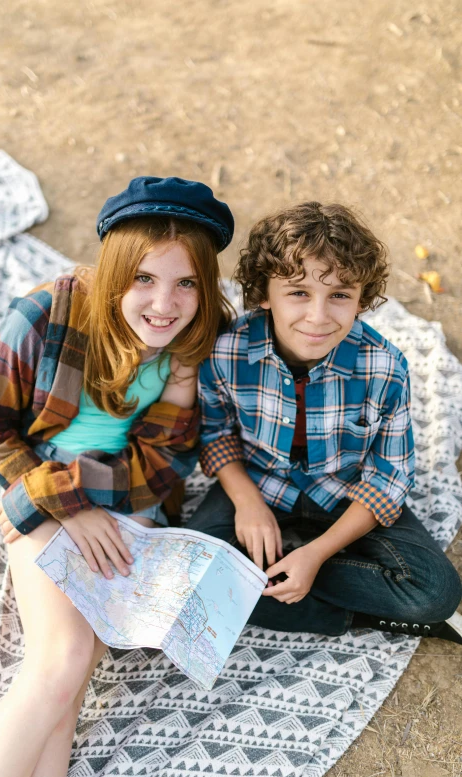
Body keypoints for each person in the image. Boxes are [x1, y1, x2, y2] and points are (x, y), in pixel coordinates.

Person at [0, 176, 234, 777]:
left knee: (74, 674)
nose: (165, 303)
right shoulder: (48, 312)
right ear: (114, 271)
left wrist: (183, 382)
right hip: (40, 484)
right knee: (59, 663)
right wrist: (62, 500)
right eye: (144, 279)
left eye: (186, 283)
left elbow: (164, 465)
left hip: (126, 498)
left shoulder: (193, 339)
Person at [188, 201, 462, 646]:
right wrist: (248, 504)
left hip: (345, 493)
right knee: (191, 574)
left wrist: (316, 554)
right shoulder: (227, 352)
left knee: (435, 594)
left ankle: (286, 571)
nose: (318, 316)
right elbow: (216, 435)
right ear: (263, 294)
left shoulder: (384, 368)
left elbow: (387, 479)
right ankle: (351, 614)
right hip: (260, 484)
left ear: (361, 299)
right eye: (298, 292)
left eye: (339, 295)